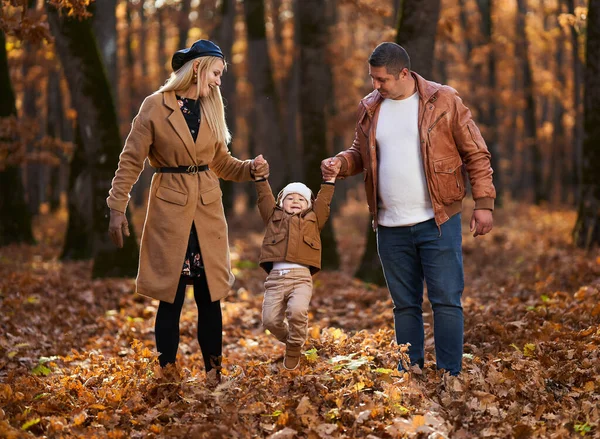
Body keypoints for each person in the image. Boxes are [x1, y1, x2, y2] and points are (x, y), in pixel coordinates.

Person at [321, 42, 495, 376]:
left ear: (404, 73)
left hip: (438, 220)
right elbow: (360, 153)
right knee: (405, 306)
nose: (376, 86)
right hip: (389, 226)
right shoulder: (371, 107)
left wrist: (483, 204)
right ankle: (410, 374)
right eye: (372, 79)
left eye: (382, 80)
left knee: (445, 301)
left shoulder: (443, 100)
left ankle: (449, 375)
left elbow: (476, 152)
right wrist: (340, 163)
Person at [107, 39, 269, 385]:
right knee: (171, 297)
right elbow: (131, 160)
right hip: (170, 211)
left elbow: (221, 163)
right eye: (216, 73)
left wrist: (249, 169)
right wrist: (116, 207)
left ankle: (214, 374)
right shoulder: (154, 106)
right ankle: (167, 374)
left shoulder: (212, 106)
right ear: (197, 68)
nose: (218, 81)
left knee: (211, 298)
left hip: (207, 213)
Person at [253, 156, 337, 370]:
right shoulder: (273, 217)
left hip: (301, 278)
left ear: (308, 205)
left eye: (302, 199)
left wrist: (329, 181)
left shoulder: (314, 219)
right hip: (275, 280)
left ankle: (293, 349)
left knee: (298, 311)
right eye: (291, 198)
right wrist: (261, 178)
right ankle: (295, 341)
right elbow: (264, 197)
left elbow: (324, 201)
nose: (296, 201)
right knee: (270, 321)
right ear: (282, 202)